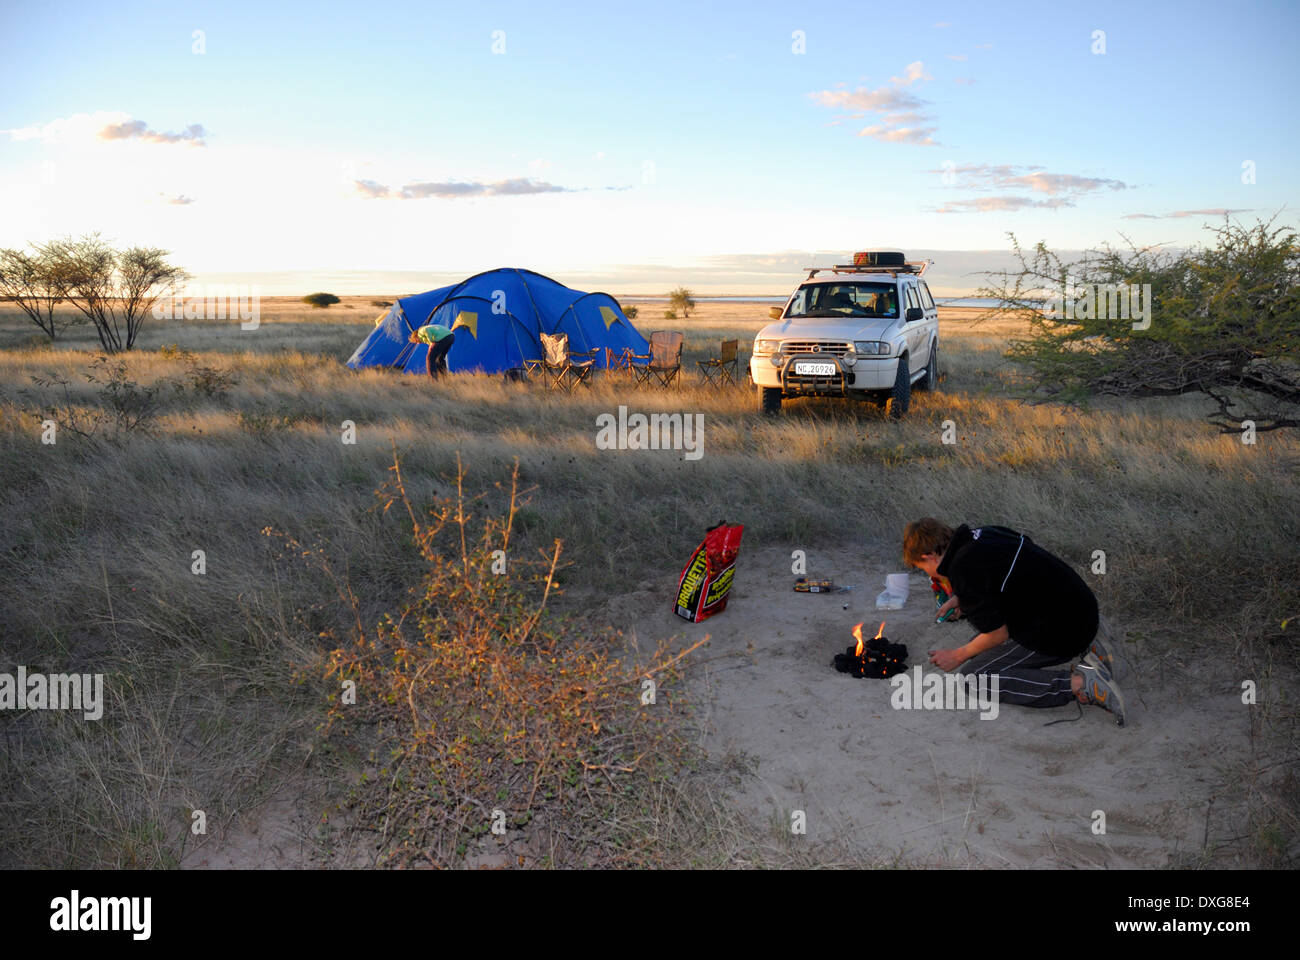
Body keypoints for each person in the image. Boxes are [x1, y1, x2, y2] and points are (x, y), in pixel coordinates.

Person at [902, 518, 1127, 725]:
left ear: (929, 556)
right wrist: (965, 599)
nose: (930, 575)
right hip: (1081, 606)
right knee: (980, 649)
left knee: (974, 677)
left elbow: (998, 634)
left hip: (1058, 630)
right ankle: (1092, 641)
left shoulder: (963, 568)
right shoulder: (984, 534)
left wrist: (957, 655)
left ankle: (1081, 683)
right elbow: (1015, 573)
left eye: (923, 569)